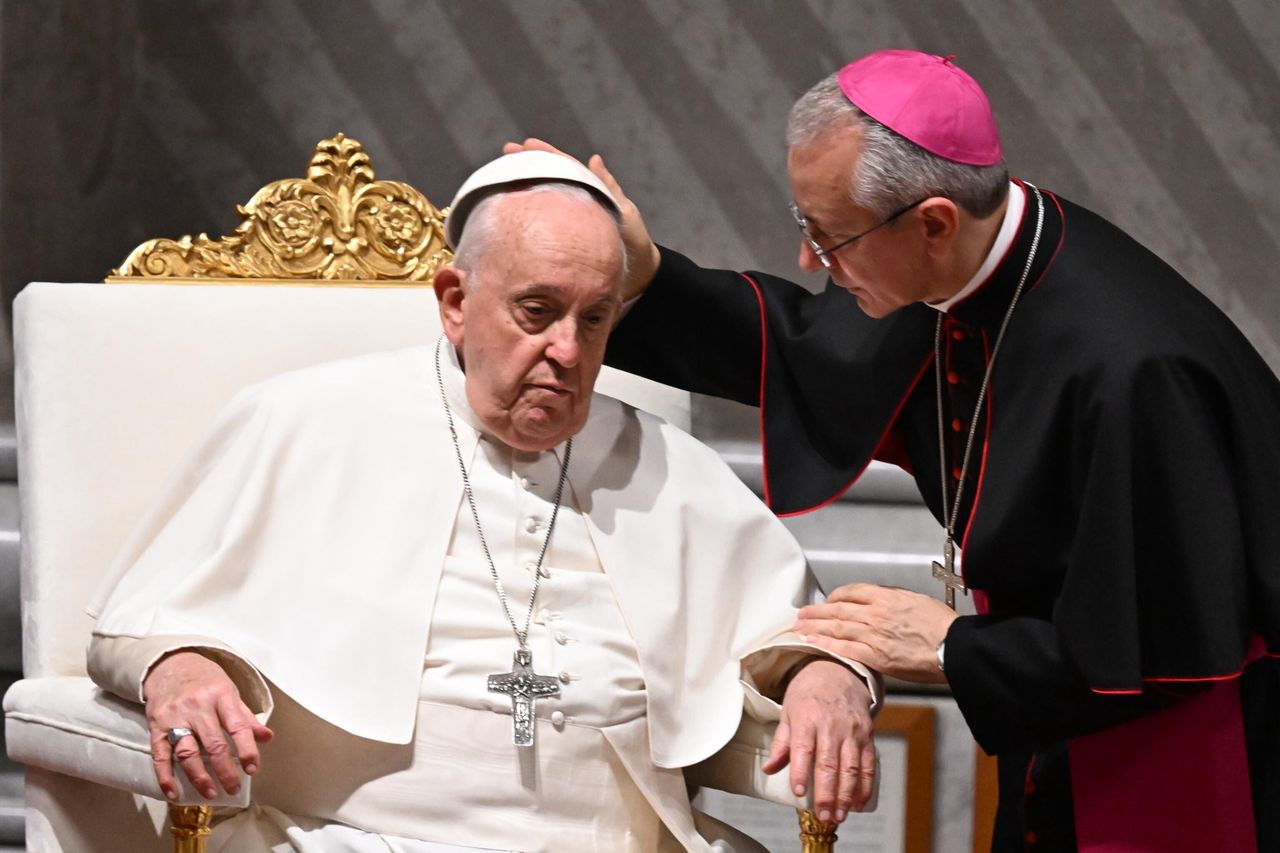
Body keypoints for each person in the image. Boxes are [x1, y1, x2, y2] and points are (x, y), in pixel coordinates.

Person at [515, 49, 1280, 851]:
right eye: (802, 222)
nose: (812, 259)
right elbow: (810, 349)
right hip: (1060, 725)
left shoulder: (1132, 371)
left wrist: (947, 644)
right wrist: (647, 276)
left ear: (935, 222)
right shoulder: (959, 271)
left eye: (830, 235)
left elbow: (1160, 642)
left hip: (1181, 747)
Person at [86, 152, 880, 852]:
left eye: (594, 319)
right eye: (537, 311)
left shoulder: (672, 467)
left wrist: (822, 675)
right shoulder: (303, 421)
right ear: (455, 300)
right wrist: (179, 663)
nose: (567, 351)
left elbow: (801, 630)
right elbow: (139, 620)